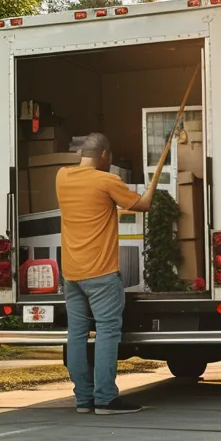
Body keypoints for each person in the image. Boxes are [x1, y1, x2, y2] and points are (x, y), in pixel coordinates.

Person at [56, 132, 159, 415]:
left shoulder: (62, 177)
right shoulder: (107, 180)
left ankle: (83, 400)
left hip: (72, 273)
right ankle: (105, 399)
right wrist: (151, 188)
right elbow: (144, 205)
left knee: (76, 335)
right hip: (101, 273)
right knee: (107, 332)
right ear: (105, 155)